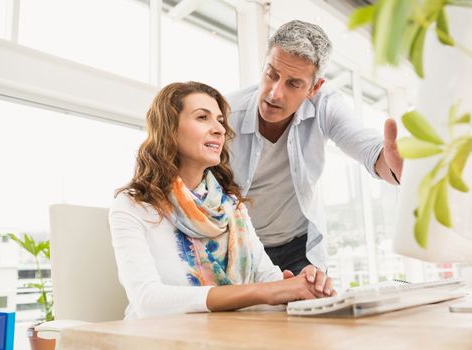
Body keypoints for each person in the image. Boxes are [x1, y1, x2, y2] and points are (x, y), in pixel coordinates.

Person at [108, 81, 335, 319]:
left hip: (229, 338)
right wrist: (262, 291)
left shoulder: (232, 207)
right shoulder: (132, 206)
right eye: (202, 117)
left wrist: (301, 285)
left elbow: (270, 280)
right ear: (169, 128)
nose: (219, 129)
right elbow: (147, 301)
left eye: (220, 120)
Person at [226, 20, 403, 275]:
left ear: (314, 88)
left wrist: (395, 167)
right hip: (242, 248)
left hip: (299, 250)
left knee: (313, 310)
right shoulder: (227, 114)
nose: (275, 93)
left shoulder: (326, 104)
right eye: (271, 74)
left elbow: (369, 149)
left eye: (293, 83)